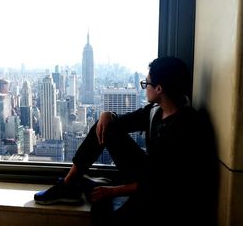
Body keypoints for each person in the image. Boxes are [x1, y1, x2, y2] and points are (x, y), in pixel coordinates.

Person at [34, 56, 217, 225]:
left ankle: (97, 184)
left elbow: (164, 183)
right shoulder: (155, 111)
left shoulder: (187, 126)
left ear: (159, 89)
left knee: (105, 213)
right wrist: (108, 115)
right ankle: (68, 184)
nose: (145, 88)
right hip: (149, 174)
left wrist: (113, 191)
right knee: (106, 126)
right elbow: (123, 122)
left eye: (147, 84)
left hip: (166, 195)